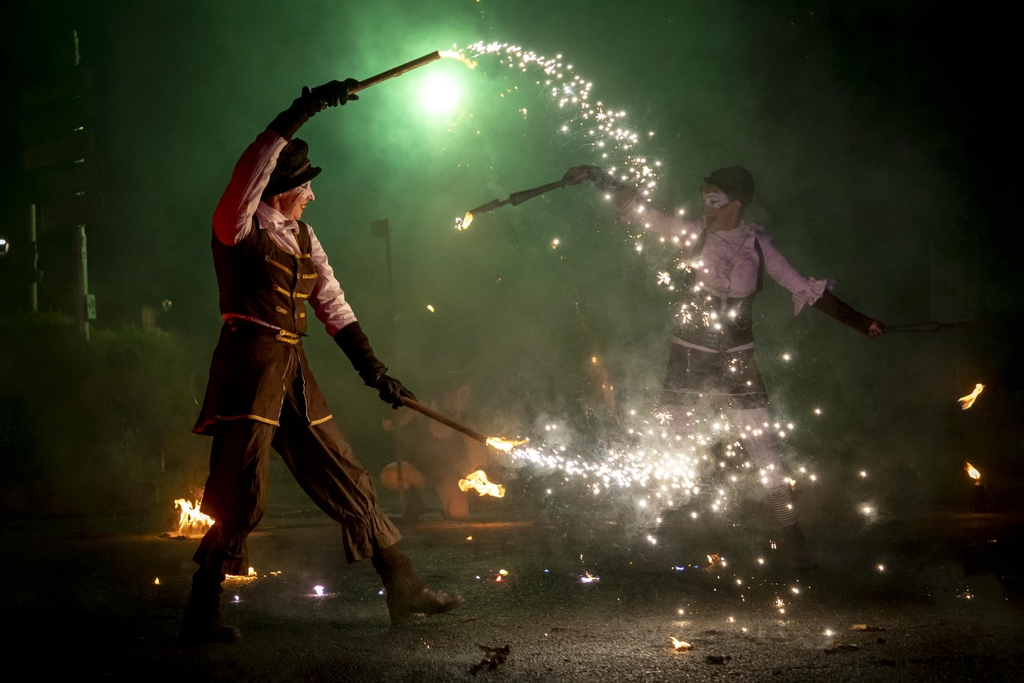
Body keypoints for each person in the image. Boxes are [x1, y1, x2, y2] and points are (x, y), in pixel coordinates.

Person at [182, 80, 461, 642]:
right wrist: (303, 109)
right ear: (282, 187)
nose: (312, 195)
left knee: (349, 476)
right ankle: (200, 614)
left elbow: (335, 308)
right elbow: (252, 164)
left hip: (293, 371)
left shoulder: (305, 238)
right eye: (306, 186)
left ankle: (404, 589)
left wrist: (374, 371)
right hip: (248, 369)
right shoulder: (236, 224)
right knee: (242, 495)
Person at [564, 164, 884, 567]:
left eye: (713, 199)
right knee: (675, 443)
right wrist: (597, 176)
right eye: (704, 198)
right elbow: (642, 211)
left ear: (736, 203)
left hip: (737, 358)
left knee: (762, 445)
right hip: (689, 355)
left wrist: (862, 322)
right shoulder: (692, 233)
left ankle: (791, 534)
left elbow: (805, 289)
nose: (706, 205)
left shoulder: (758, 247)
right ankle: (657, 530)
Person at [380, 383, 490, 520]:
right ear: (449, 396)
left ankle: (444, 501)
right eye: (463, 394)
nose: (468, 399)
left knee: (458, 512)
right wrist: (390, 409)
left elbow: (477, 456)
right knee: (389, 475)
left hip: (446, 477)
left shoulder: (465, 421)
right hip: (419, 473)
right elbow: (389, 424)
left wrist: (481, 476)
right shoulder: (422, 409)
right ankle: (414, 498)